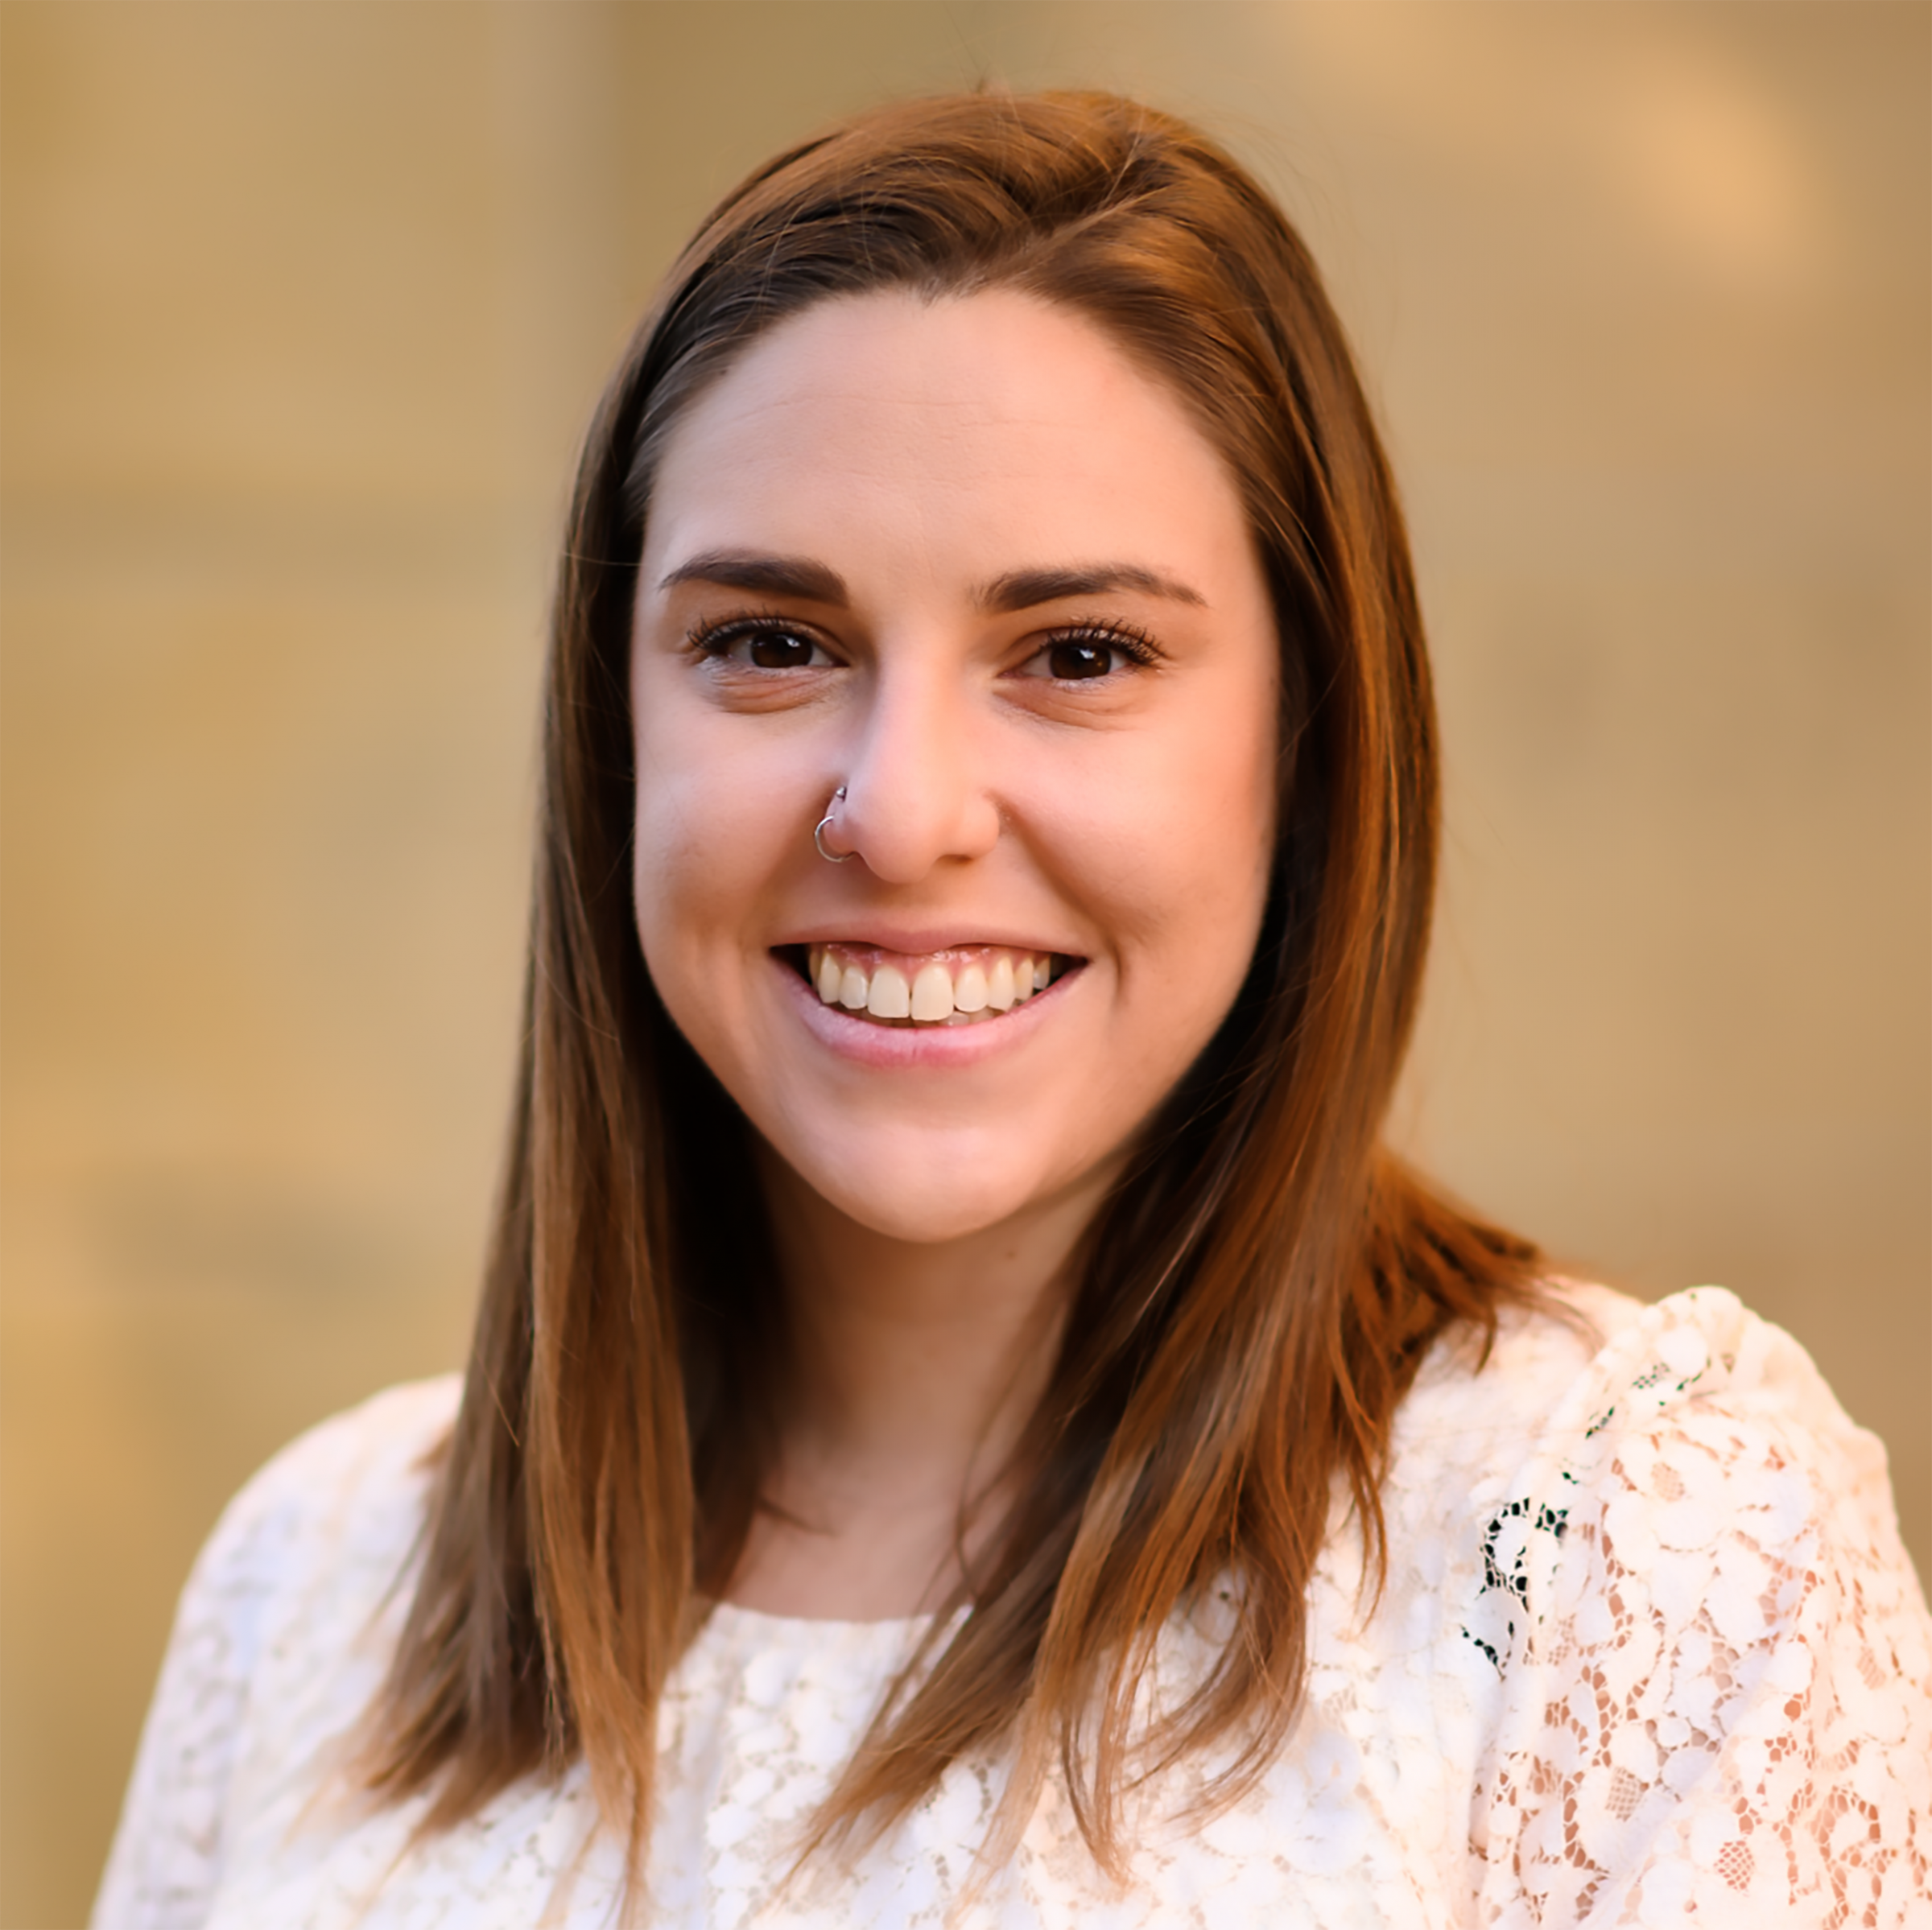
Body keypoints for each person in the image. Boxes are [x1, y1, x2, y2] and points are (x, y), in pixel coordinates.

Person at [92, 90, 1930, 1929]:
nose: (900, 811)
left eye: (1078, 654)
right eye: (771, 642)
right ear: (613, 730)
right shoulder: (315, 1579)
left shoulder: (1630, 1542)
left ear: (1303, 743)